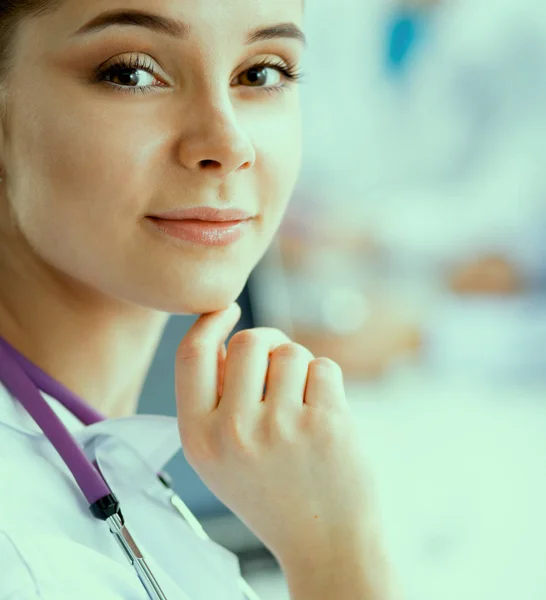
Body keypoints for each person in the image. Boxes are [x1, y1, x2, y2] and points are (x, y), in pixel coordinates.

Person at [0, 1, 394, 599]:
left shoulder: (104, 465)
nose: (228, 143)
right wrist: (339, 555)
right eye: (131, 72)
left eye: (261, 73)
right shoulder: (25, 557)